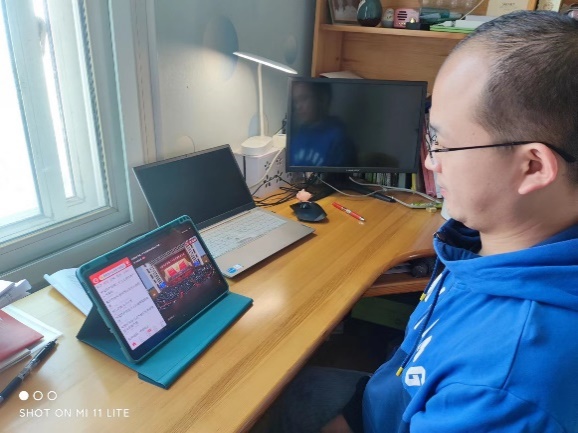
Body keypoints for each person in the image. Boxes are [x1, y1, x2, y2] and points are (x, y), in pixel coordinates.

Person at [251, 10, 578, 433]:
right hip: (386, 400)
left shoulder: (501, 389)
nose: (429, 162)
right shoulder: (491, 243)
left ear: (532, 167)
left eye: (441, 142)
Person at [288, 81, 356, 168]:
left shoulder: (339, 139)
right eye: (296, 101)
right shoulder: (298, 135)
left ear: (322, 99)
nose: (298, 107)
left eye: (304, 98)